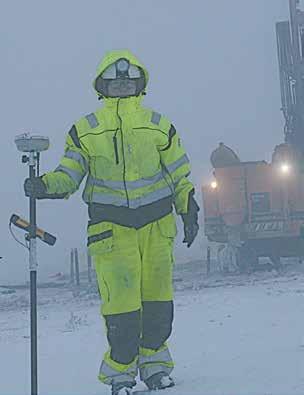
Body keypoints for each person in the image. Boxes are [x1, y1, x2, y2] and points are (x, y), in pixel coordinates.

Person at [24, 50, 200, 395]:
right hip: (111, 229)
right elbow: (69, 174)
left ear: (140, 84)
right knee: (121, 307)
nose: (122, 85)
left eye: (128, 80)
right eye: (115, 81)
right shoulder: (84, 130)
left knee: (158, 303)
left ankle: (155, 367)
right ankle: (120, 374)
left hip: (157, 226)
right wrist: (45, 185)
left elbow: (180, 172)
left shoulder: (160, 125)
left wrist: (188, 207)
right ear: (102, 86)